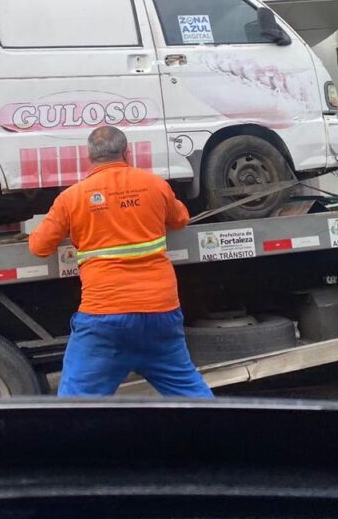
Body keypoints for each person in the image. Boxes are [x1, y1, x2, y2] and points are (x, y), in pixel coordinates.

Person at [29, 125, 213, 398]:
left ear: (88, 157)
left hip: (104, 316)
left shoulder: (72, 198)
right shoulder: (154, 185)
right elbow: (181, 219)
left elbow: (39, 247)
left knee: (76, 403)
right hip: (160, 310)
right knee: (189, 391)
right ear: (127, 152)